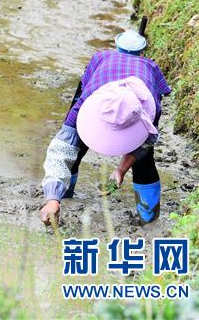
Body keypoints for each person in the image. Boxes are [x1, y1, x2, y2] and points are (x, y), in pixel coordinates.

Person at [39, 30, 171, 226]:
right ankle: (63, 198)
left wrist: (121, 170)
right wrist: (52, 200)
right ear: (142, 51)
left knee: (144, 160)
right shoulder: (85, 102)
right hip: (99, 102)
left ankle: (149, 221)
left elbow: (146, 142)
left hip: (135, 109)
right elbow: (62, 150)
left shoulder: (149, 105)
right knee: (75, 146)